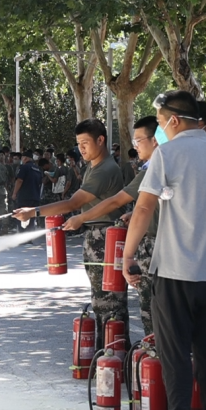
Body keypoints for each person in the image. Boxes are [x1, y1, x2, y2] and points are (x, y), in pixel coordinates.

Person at [120, 90, 206, 410]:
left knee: (174, 354)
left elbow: (144, 208)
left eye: (160, 122)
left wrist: (127, 256)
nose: (159, 129)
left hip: (175, 269)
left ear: (173, 120)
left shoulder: (168, 153)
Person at [14, 119, 129, 353]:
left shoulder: (105, 169)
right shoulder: (93, 167)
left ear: (101, 140)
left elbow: (73, 203)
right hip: (97, 236)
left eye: (85, 142)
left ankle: (114, 356)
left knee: (110, 304)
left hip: (105, 238)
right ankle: (108, 356)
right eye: (78, 144)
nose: (81, 148)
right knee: (101, 302)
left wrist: (33, 212)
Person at [65, 115, 161, 336]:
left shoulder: (154, 169)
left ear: (155, 140)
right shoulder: (153, 168)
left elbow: (117, 201)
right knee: (148, 311)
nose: (135, 146)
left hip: (155, 247)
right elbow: (149, 205)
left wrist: (80, 217)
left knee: (149, 313)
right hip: (153, 246)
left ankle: (150, 355)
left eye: (138, 140)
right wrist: (132, 213)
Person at [11, 151, 42, 228]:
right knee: (32, 218)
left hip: (25, 197)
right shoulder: (37, 169)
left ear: (25, 158)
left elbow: (19, 180)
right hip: (35, 197)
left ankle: (23, 234)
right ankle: (30, 234)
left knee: (22, 217)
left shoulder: (24, 167)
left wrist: (14, 193)